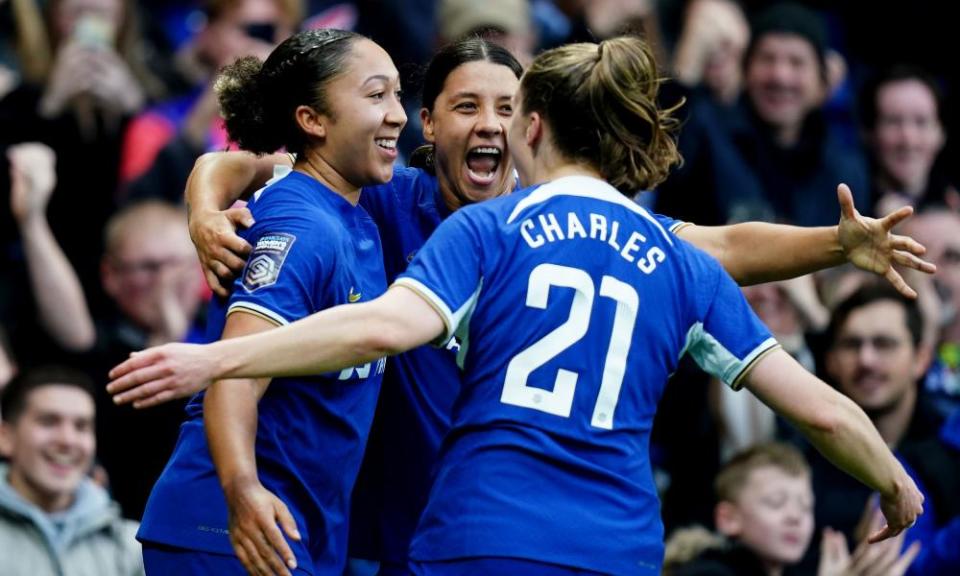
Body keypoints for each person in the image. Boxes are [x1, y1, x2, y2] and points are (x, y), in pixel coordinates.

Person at [109, 36, 923, 576]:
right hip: (583, 544)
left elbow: (386, 324)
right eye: (466, 107)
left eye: (506, 108)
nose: (491, 125)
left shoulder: (495, 230)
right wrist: (894, 479)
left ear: (533, 128)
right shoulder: (398, 205)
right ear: (428, 129)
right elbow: (256, 166)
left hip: (470, 535)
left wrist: (212, 355)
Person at [130, 28, 403, 575]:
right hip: (234, 527)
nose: (397, 113)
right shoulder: (303, 225)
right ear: (312, 120)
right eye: (376, 96)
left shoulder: (345, 209)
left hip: (285, 527)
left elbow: (240, 163)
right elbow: (235, 370)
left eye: (397, 94)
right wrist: (242, 490)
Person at [0, 366, 144, 576]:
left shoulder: (133, 547)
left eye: (81, 426)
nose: (68, 440)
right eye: (48, 422)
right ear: (6, 437)